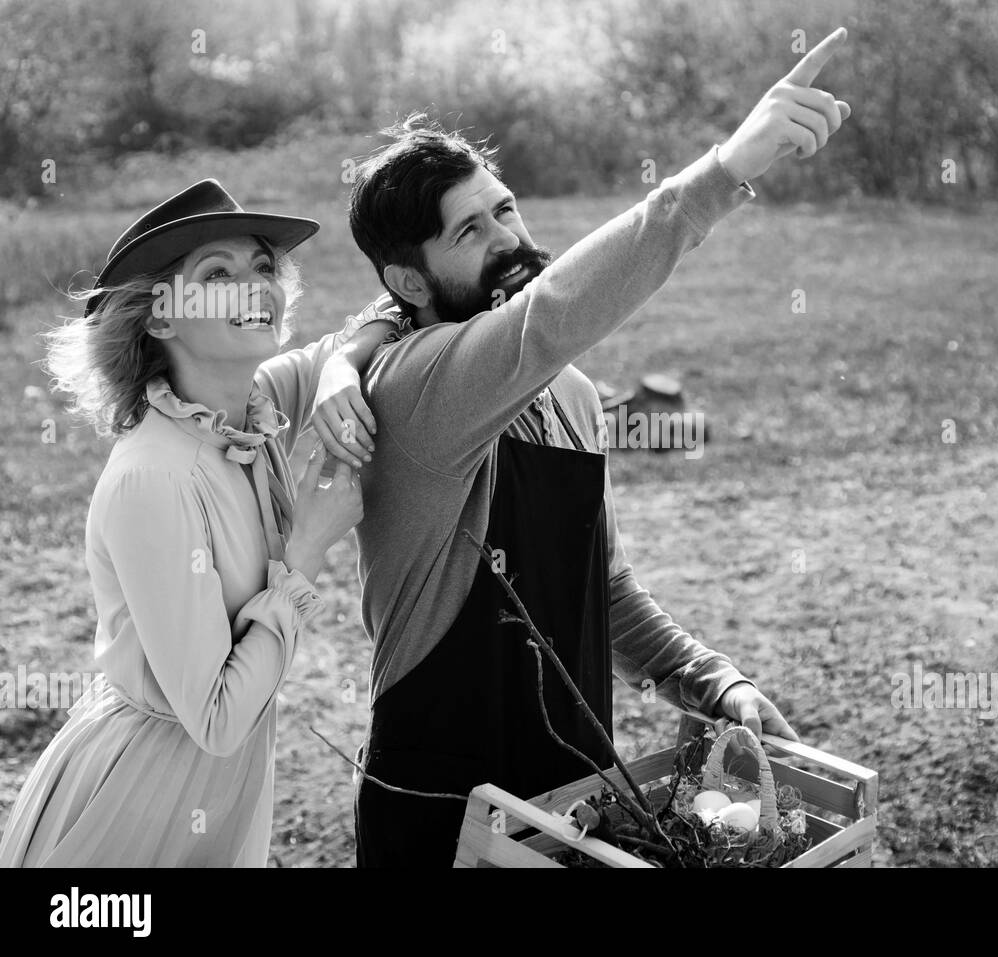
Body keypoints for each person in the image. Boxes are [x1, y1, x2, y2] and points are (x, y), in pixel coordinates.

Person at [335, 28, 852, 865]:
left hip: (576, 808)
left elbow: (601, 592)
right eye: (468, 232)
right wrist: (724, 170)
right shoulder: (413, 386)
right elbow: (550, 316)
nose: (507, 237)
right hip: (442, 818)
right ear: (408, 283)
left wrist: (715, 679)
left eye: (505, 208)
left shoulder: (571, 395)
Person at [0, 179, 398, 866]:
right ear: (161, 317)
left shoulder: (253, 407)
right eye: (218, 273)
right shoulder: (154, 477)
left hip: (219, 790)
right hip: (140, 802)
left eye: (264, 267)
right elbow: (216, 717)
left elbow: (381, 314)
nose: (256, 287)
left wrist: (338, 370)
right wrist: (305, 548)